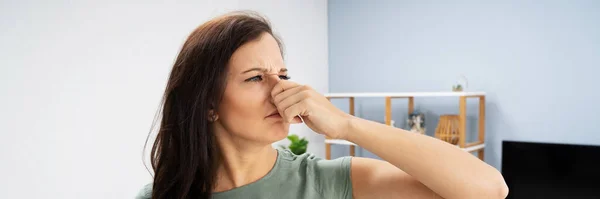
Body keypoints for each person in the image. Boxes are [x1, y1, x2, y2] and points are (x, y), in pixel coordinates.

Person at [136, 11, 508, 199]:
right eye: (255, 78)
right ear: (207, 104)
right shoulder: (159, 195)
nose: (280, 91)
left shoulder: (328, 183)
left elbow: (490, 190)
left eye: (282, 75)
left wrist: (346, 125)